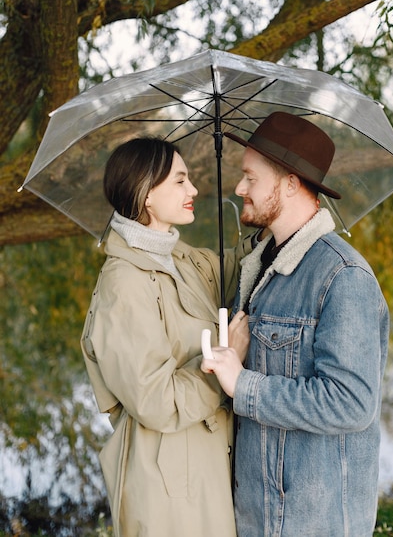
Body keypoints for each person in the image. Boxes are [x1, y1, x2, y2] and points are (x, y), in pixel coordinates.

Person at [202, 112, 390, 537]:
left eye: (250, 177)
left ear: (289, 183)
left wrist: (243, 384)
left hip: (313, 521)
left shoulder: (342, 277)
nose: (238, 188)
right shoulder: (259, 267)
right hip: (257, 516)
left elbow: (351, 403)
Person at [81, 137, 252, 537]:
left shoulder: (181, 258)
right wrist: (225, 364)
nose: (193, 190)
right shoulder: (123, 284)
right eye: (180, 180)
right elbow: (154, 400)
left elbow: (241, 266)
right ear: (146, 194)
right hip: (169, 491)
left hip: (203, 468)